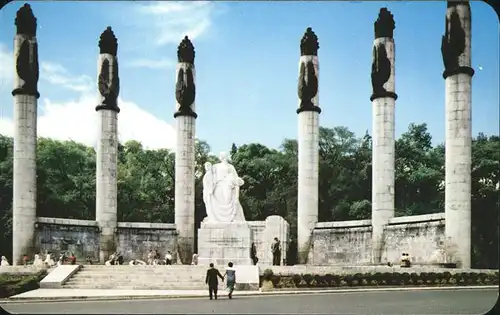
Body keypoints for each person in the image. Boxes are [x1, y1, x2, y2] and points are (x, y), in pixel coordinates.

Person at [202, 152, 246, 223]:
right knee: (216, 203)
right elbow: (210, 173)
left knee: (227, 201)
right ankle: (214, 218)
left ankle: (231, 217)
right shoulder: (216, 166)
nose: (221, 157)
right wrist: (208, 166)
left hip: (227, 185)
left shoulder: (230, 167)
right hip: (217, 187)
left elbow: (235, 177)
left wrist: (239, 181)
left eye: (222, 155)